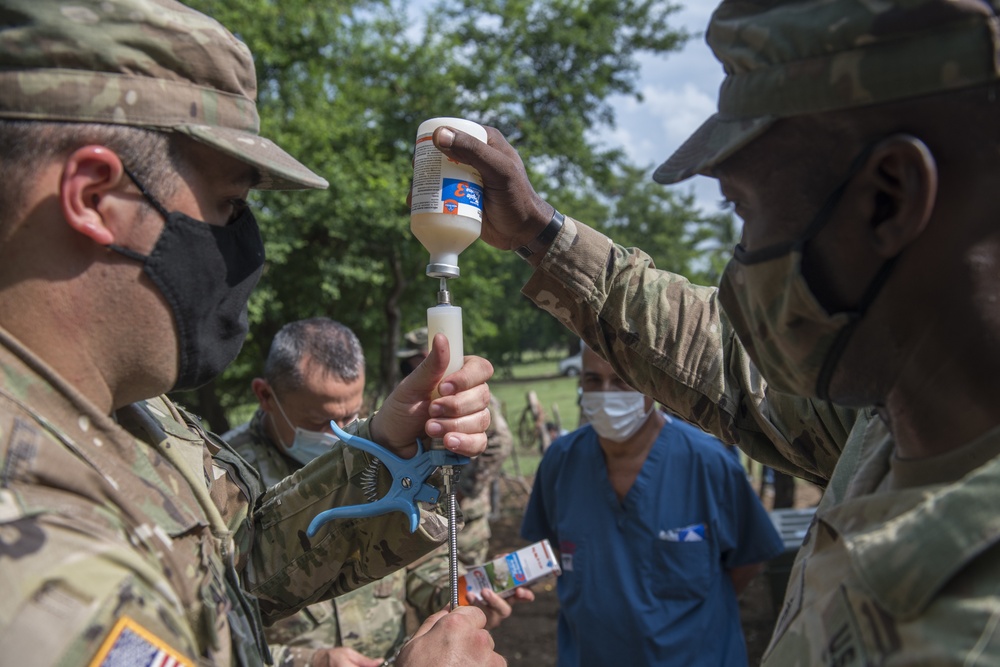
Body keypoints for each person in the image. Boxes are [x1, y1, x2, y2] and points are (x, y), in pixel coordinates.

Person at [428, 0, 1000, 662]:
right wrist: (538, 232)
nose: (737, 271)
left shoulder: (967, 629)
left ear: (888, 197)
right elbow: (723, 366)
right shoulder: (888, 426)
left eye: (744, 208)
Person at [0, 2, 504, 666]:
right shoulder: (32, 556)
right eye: (229, 204)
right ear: (95, 195)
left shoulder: (133, 415)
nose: (246, 246)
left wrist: (384, 447)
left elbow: (242, 556)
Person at [226, 318, 525, 666]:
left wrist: (463, 596)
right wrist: (303, 661)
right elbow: (206, 628)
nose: (341, 434)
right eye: (323, 423)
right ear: (265, 395)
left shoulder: (377, 453)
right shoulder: (224, 481)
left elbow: (418, 564)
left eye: (352, 415)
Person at [521, 343, 783, 666]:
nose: (606, 394)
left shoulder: (707, 464)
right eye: (592, 380)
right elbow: (550, 551)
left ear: (653, 385)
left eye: (621, 380)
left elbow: (748, 559)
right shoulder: (561, 462)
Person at [397, 327, 515, 566]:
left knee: (469, 585)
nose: (410, 366)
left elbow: (500, 442)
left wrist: (464, 490)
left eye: (414, 358)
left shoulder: (462, 392)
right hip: (422, 515)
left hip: (466, 517)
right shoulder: (408, 391)